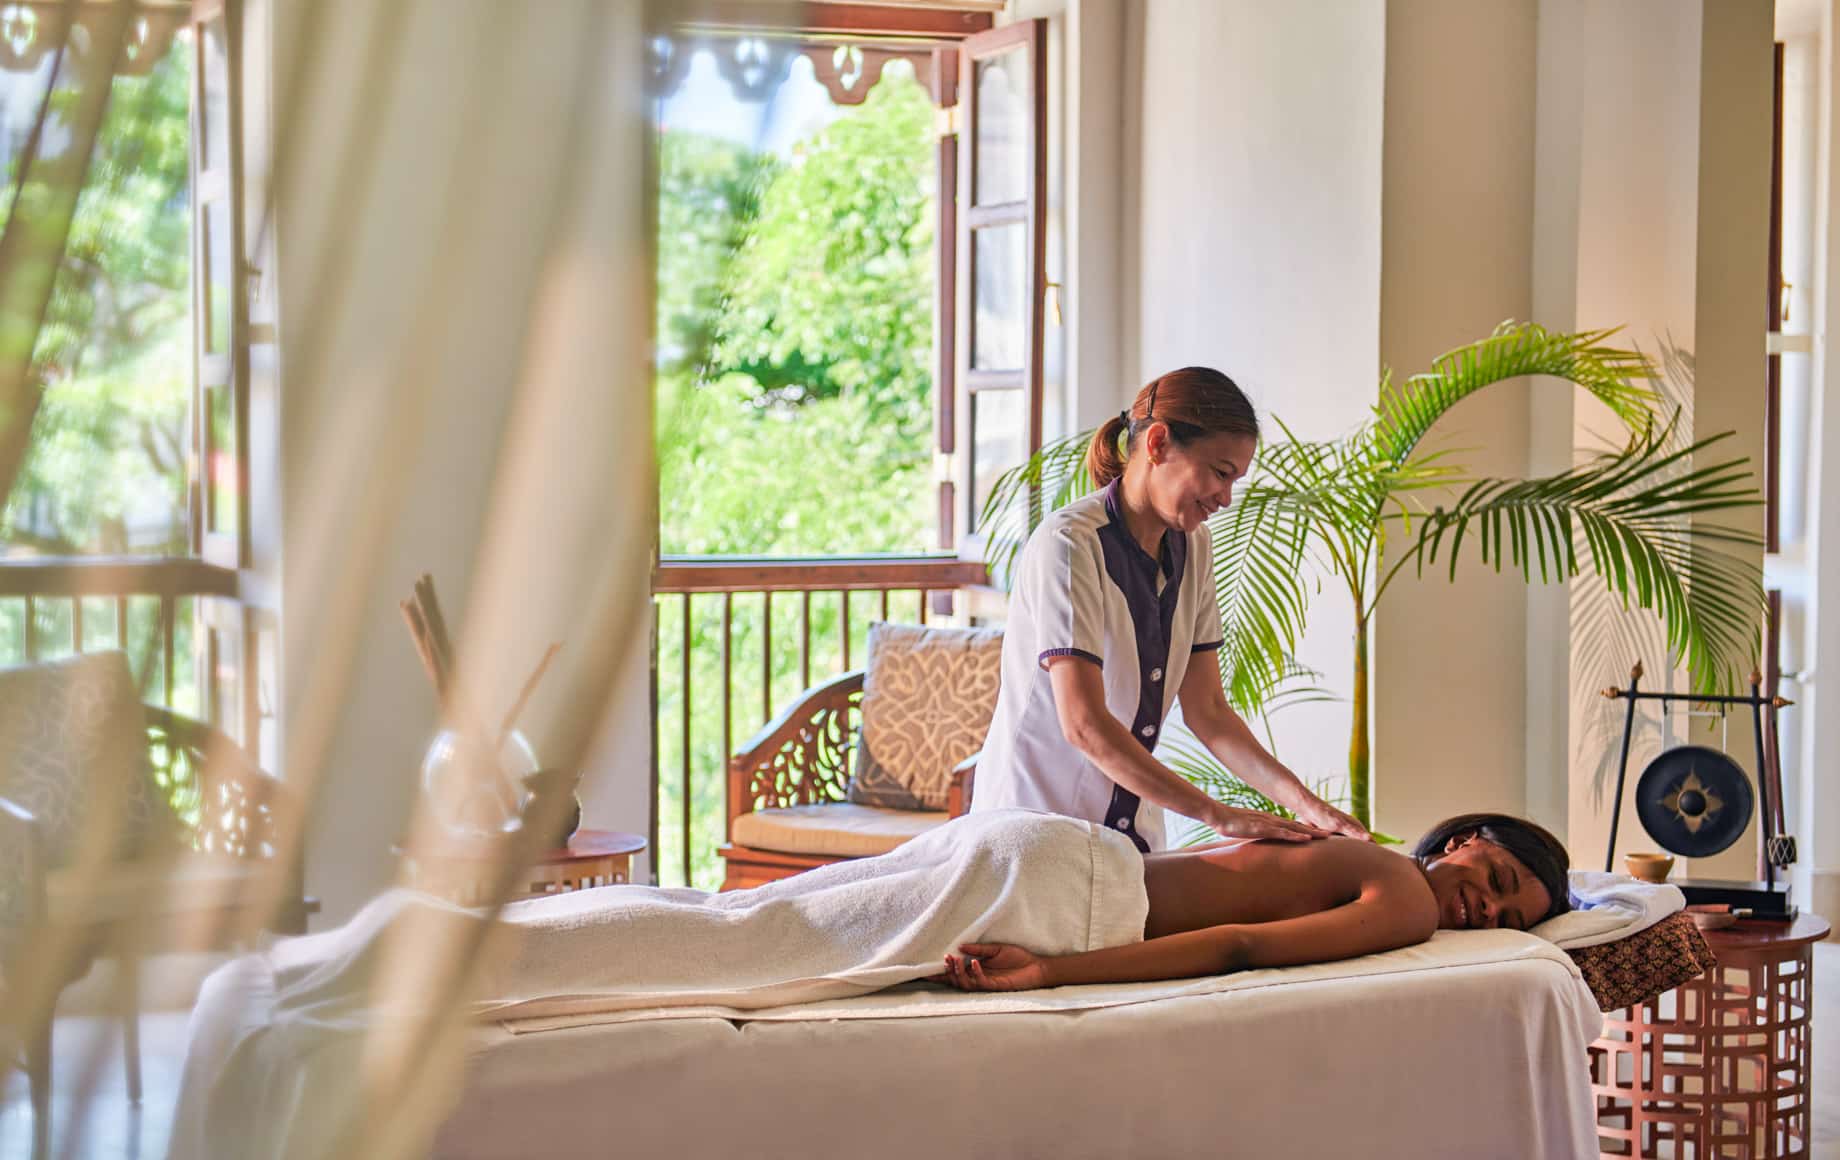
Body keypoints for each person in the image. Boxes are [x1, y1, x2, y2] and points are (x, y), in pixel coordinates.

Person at [973, 366, 1366, 851]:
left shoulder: (1192, 547)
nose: (1225, 498)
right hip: (1032, 833)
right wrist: (1216, 815)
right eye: (1220, 473)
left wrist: (1308, 807)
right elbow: (1083, 723)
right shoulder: (1070, 544)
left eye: (1235, 480)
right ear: (1157, 443)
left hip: (1126, 839)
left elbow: (1209, 710)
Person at [935, 811, 1571, 992]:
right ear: (1463, 842)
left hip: (1057, 846)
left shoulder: (1357, 847)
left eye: (1507, 919)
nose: (1489, 911)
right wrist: (1046, 972)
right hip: (1076, 893)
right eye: (1498, 882)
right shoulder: (1409, 902)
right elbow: (1238, 946)